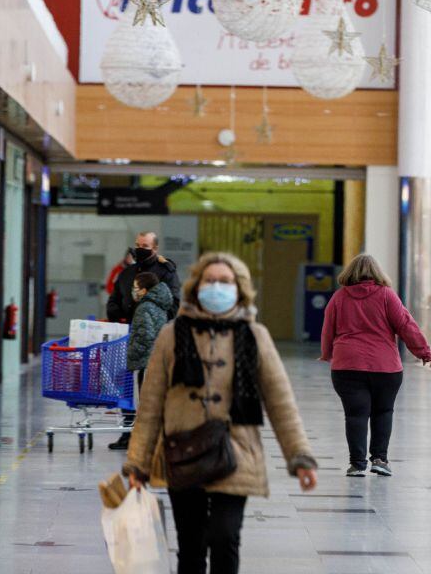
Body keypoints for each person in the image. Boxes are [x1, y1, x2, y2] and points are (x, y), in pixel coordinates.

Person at [123, 252, 317, 574]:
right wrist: (137, 463)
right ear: (196, 286)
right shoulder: (171, 335)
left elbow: (282, 403)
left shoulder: (255, 336)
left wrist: (300, 457)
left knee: (225, 537)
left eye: (225, 282)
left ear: (240, 289)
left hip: (236, 452)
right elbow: (151, 405)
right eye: (209, 280)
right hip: (181, 453)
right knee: (191, 545)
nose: (217, 287)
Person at [319, 254, 431, 477]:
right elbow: (405, 325)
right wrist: (424, 352)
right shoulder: (386, 295)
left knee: (355, 415)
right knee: (383, 411)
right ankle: (380, 460)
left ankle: (357, 464)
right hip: (385, 367)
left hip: (347, 366)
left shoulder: (339, 297)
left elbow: (328, 328)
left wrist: (327, 354)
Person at [109, 272, 173, 450]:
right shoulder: (159, 306)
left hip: (144, 362)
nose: (133, 291)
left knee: (143, 405)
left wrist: (131, 353)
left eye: (136, 288)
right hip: (157, 360)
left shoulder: (144, 308)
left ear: (145, 290)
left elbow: (145, 336)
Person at [107, 232, 181, 323]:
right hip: (126, 328)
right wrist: (118, 318)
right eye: (137, 245)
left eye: (145, 246)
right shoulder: (126, 272)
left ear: (155, 249)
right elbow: (114, 300)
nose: (139, 249)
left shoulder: (166, 272)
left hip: (154, 330)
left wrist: (155, 322)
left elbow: (173, 305)